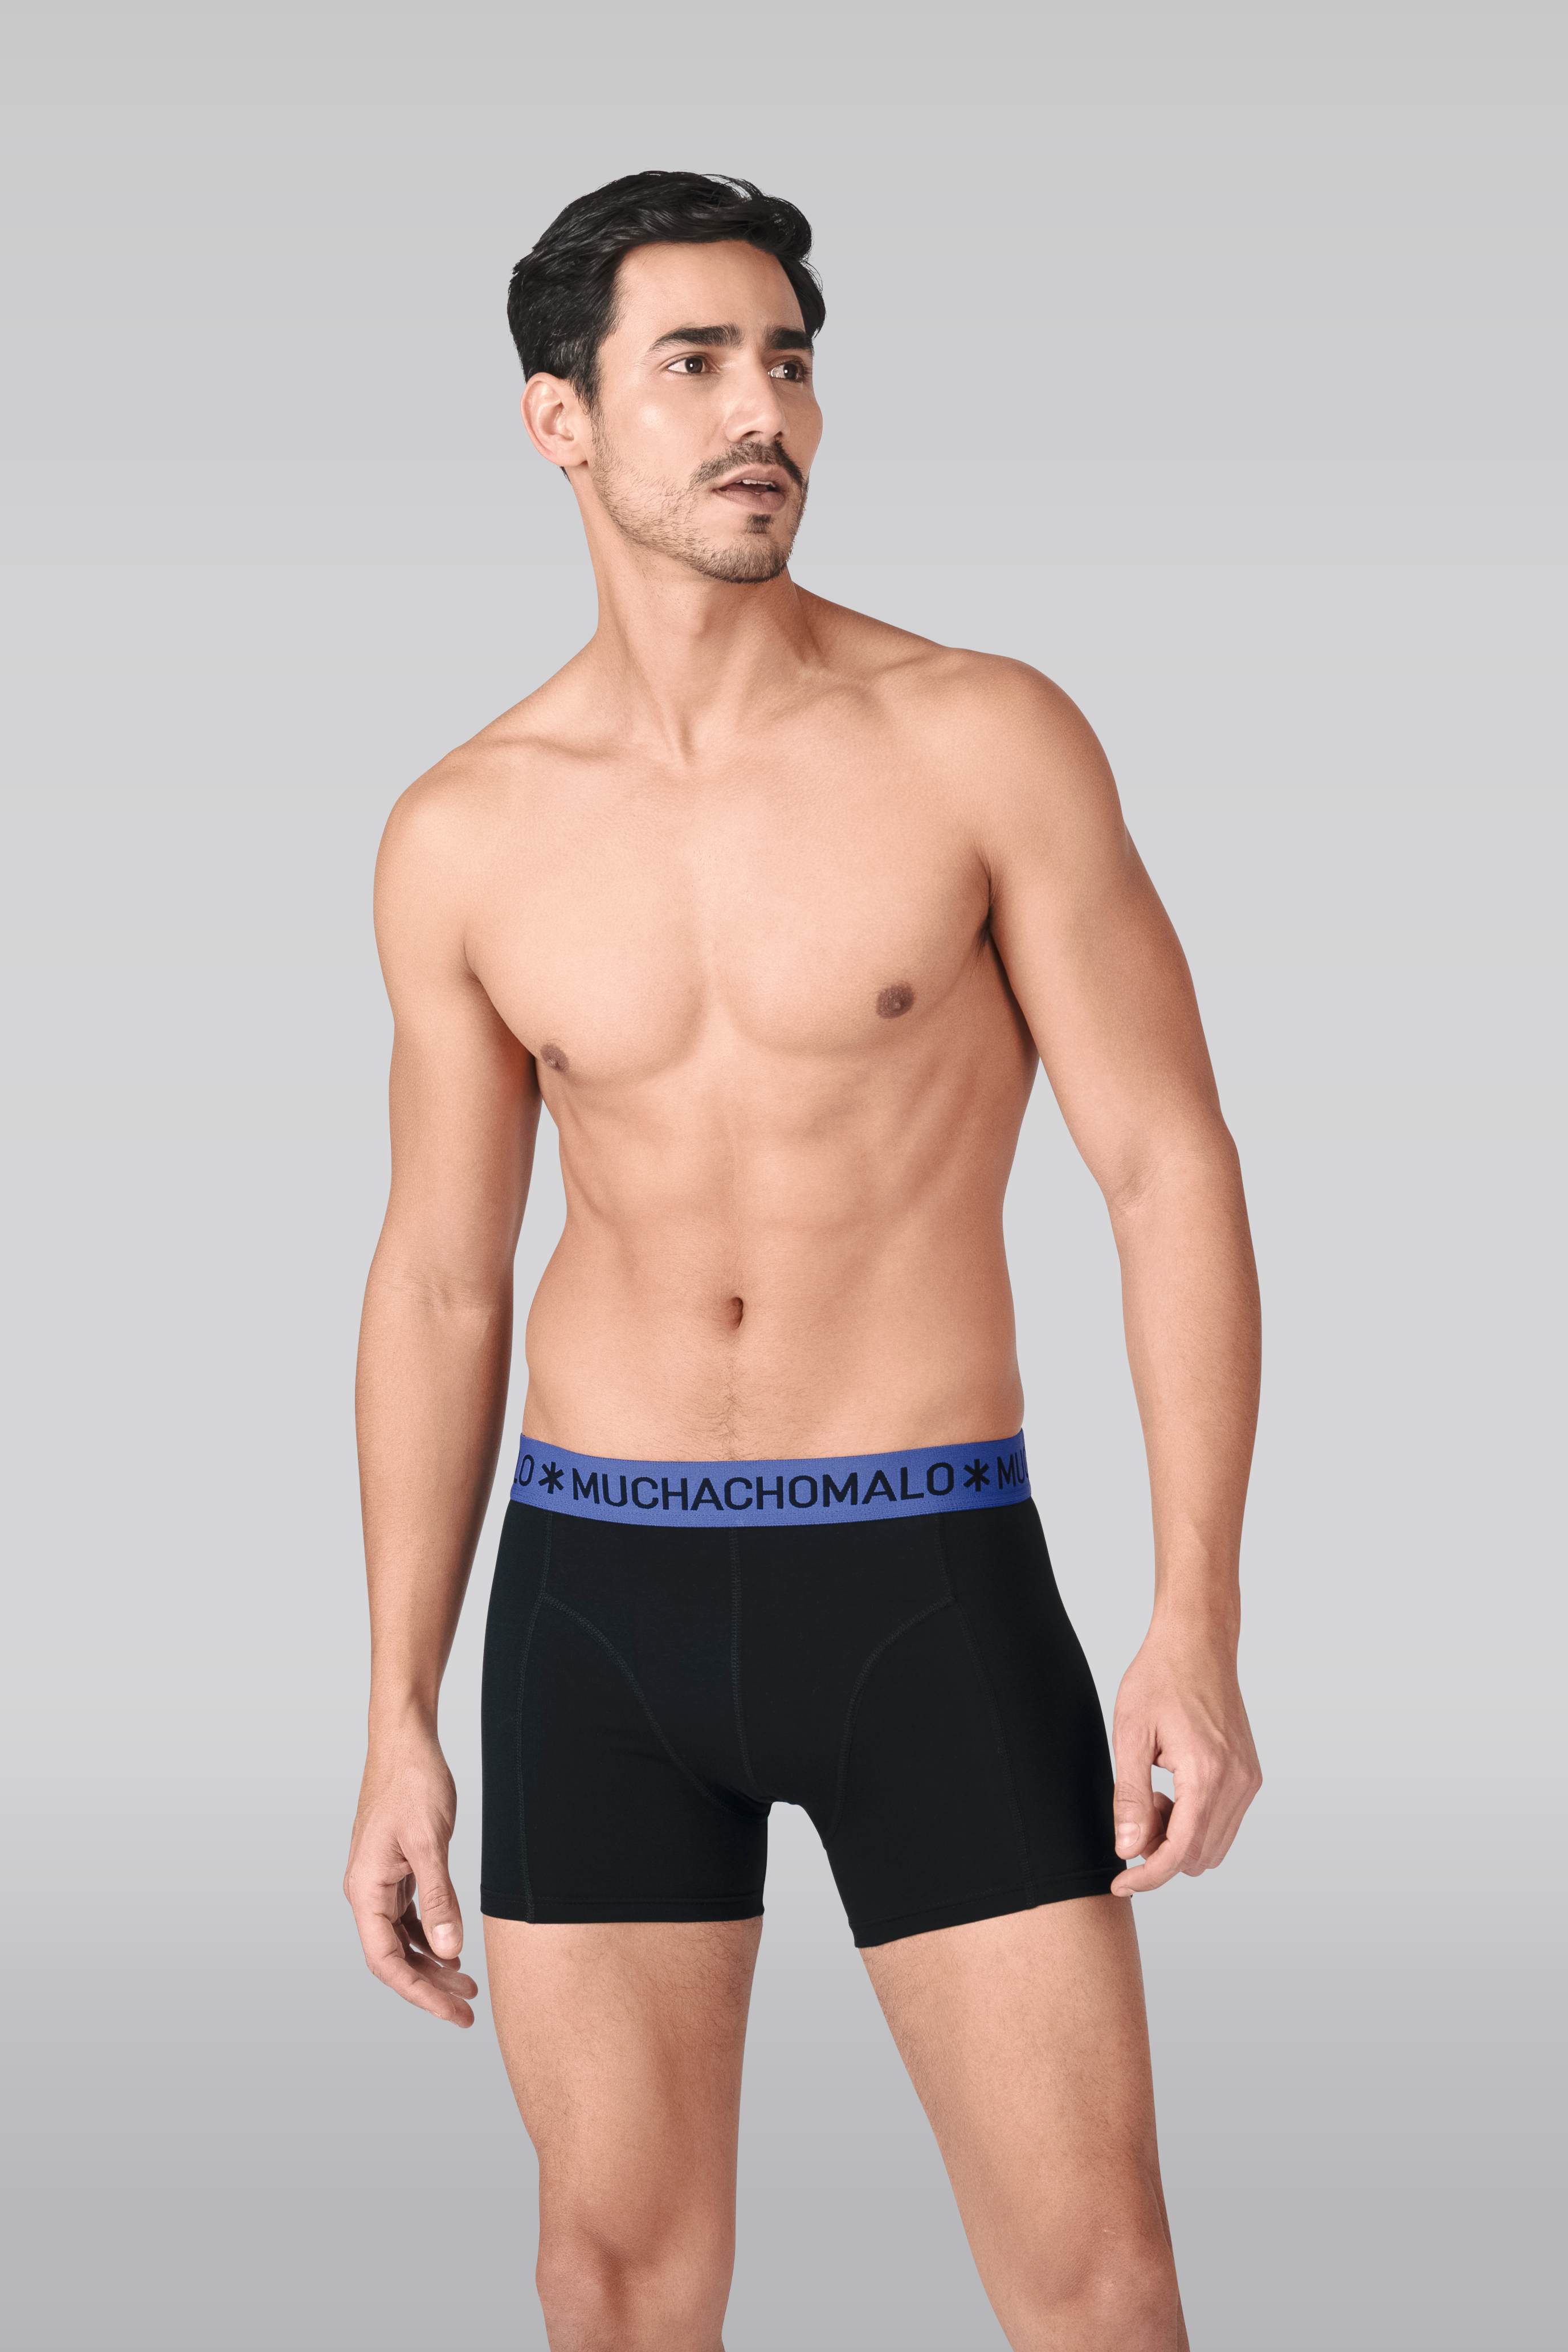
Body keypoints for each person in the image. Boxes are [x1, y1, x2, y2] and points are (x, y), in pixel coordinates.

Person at [344, 169, 1261, 2352]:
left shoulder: (978, 738)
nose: (763, 411)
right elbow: (443, 1280)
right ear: (560, 418)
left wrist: (1195, 1616)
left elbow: (1168, 1169)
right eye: (694, 363)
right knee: (614, 2279)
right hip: (596, 1597)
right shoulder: (464, 829)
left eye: (789, 360)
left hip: (921, 1571)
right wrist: (394, 1709)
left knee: (1097, 2284)